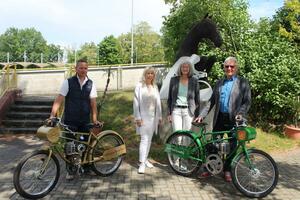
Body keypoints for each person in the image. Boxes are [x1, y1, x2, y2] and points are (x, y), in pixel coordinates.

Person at [196, 56, 251, 182]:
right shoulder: (219, 83)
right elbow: (211, 102)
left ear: (236, 68)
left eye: (232, 66)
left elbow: (247, 102)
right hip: (219, 118)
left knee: (232, 146)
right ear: (224, 68)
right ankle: (210, 168)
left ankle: (227, 170)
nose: (229, 68)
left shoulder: (243, 82)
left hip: (234, 120)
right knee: (213, 144)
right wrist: (201, 115)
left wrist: (241, 114)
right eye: (227, 66)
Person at [49, 59, 100, 180]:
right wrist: (52, 115)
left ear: (87, 69)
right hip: (70, 121)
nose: (83, 70)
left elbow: (93, 103)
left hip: (84, 122)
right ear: (76, 69)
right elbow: (59, 100)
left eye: (85, 68)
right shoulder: (68, 82)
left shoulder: (91, 84)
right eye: (81, 68)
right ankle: (71, 170)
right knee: (70, 146)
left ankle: (86, 167)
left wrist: (94, 120)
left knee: (84, 144)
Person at [133, 67, 162, 174]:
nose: (150, 75)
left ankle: (145, 160)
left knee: (149, 140)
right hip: (143, 117)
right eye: (148, 73)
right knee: (144, 140)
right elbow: (136, 104)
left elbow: (158, 103)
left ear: (154, 76)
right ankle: (141, 163)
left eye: (152, 73)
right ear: (145, 75)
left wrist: (159, 116)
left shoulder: (155, 86)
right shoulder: (139, 86)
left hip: (152, 118)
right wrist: (138, 118)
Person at [167, 60, 201, 131]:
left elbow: (197, 100)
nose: (185, 69)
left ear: (189, 69)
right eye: (183, 67)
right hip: (176, 110)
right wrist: (169, 114)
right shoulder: (173, 80)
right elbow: (169, 98)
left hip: (188, 111)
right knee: (177, 135)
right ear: (180, 68)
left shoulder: (194, 81)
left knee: (187, 135)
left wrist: (196, 114)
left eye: (187, 67)